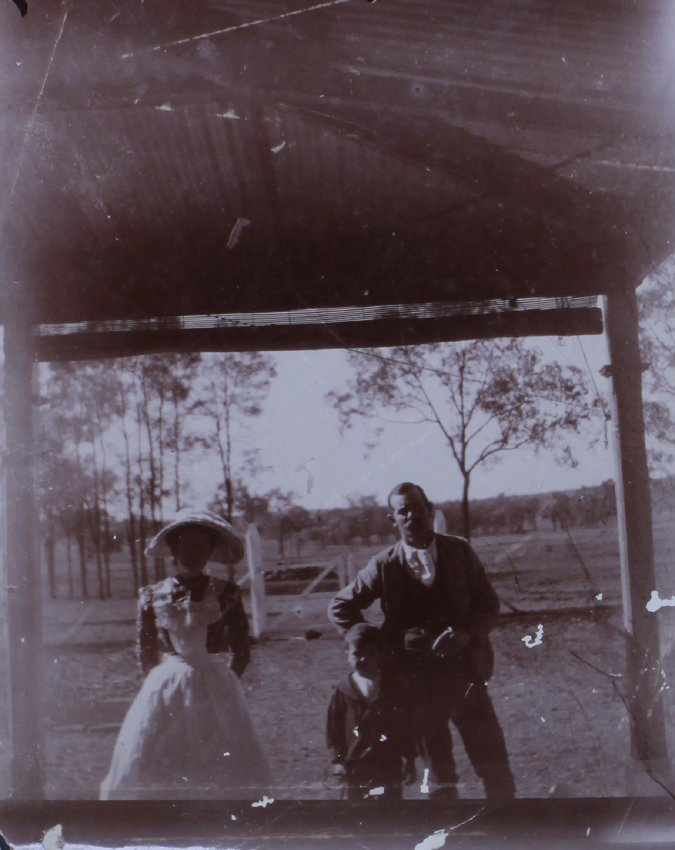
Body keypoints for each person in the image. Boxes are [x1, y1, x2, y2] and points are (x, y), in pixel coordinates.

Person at [328, 482, 515, 800]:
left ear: (430, 510)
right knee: (439, 773)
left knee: (492, 761)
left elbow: (488, 604)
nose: (411, 515)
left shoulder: (459, 551)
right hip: (416, 686)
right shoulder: (384, 565)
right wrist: (377, 647)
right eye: (403, 511)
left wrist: (467, 632)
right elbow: (340, 606)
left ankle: (513, 831)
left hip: (467, 674)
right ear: (393, 520)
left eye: (417, 507)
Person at [100, 508, 272, 800]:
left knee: (219, 751)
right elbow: (144, 648)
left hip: (215, 682)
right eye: (186, 545)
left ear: (210, 551)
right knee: (156, 752)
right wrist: (159, 685)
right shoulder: (152, 595)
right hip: (167, 683)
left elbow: (242, 646)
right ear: (174, 548)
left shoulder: (227, 592)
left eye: (201, 547)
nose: (193, 553)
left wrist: (226, 682)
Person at [326, 623, 417, 801]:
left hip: (389, 764)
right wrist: (337, 761)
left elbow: (406, 725)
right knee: (359, 812)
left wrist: (410, 759)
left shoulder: (392, 687)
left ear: (381, 653)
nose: (363, 659)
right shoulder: (344, 690)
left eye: (370, 653)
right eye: (357, 654)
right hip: (355, 764)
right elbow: (333, 728)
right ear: (347, 655)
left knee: (391, 811)